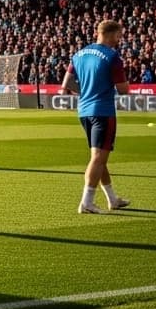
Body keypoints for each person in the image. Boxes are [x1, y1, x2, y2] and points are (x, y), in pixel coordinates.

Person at [61, 20, 132, 214]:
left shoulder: (79, 54)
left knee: (99, 158)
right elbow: (123, 89)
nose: (120, 39)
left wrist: (86, 92)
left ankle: (112, 199)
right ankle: (86, 202)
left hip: (84, 111)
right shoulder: (112, 56)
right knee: (99, 157)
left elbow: (67, 83)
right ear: (113, 34)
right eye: (120, 35)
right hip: (103, 111)